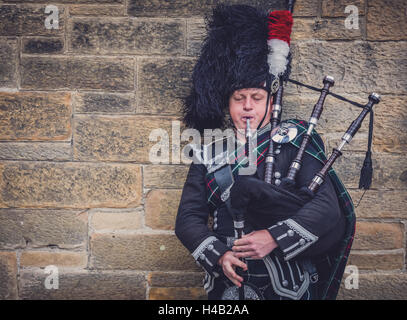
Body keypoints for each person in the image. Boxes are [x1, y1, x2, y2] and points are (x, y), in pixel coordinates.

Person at [175, 4, 351, 300]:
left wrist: (274, 238)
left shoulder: (297, 141)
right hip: (229, 285)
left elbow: (326, 208)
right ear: (227, 104)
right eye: (238, 98)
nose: (247, 106)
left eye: (256, 97)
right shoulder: (207, 153)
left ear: (271, 102)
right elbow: (189, 217)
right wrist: (219, 256)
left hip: (289, 281)